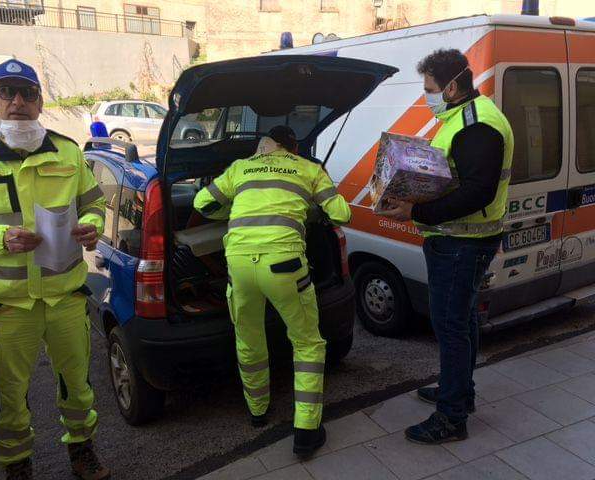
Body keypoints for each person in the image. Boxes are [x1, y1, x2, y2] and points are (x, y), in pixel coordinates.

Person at [0, 59, 109, 479]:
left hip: (65, 297)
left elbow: (94, 204)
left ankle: (82, 450)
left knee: (77, 387)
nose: (18, 102)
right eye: (7, 93)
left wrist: (92, 227)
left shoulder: (68, 150)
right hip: (7, 306)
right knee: (8, 395)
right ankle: (16, 465)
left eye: (27, 93)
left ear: (41, 101)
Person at [381, 49, 514, 444]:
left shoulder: (478, 125)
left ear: (452, 86)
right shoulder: (462, 114)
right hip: (458, 239)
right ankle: (460, 391)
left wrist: (417, 213)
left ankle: (452, 417)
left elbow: (476, 191)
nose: (427, 97)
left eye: (430, 89)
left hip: (462, 242)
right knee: (463, 319)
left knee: (450, 326)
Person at [193, 125, 351, 457]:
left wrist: (233, 210)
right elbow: (342, 214)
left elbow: (202, 203)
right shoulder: (308, 168)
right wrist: (313, 205)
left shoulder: (240, 168)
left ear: (264, 147)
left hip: (238, 265)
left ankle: (258, 412)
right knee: (308, 344)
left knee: (249, 339)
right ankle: (307, 432)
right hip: (285, 268)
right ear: (292, 148)